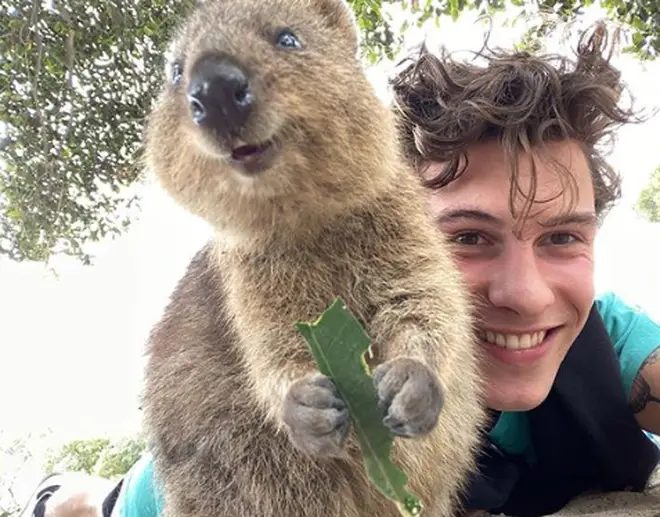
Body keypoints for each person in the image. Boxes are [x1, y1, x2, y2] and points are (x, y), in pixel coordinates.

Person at [21, 19, 660, 517]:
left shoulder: (606, 340)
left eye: (561, 237)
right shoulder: (303, 296)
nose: (524, 294)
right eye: (467, 237)